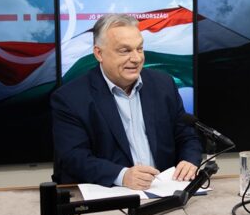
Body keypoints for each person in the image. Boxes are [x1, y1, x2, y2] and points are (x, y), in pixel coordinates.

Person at [52, 14, 201, 188]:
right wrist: (122, 176)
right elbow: (73, 157)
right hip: (110, 194)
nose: (137, 58)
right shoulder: (70, 98)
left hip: (164, 190)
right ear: (99, 53)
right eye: (125, 51)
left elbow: (186, 136)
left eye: (139, 49)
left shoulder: (163, 84)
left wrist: (189, 160)